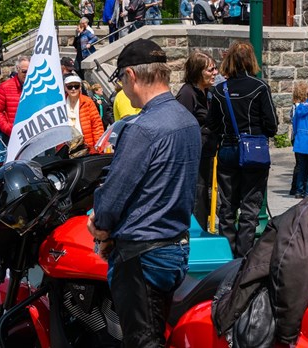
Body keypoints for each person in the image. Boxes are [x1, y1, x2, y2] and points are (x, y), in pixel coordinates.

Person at [88, 38, 200, 347]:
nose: (123, 86)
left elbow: (113, 196)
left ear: (132, 76)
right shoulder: (186, 120)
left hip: (143, 255)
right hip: (175, 248)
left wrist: (99, 225)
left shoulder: (143, 127)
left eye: (122, 79)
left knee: (143, 341)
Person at [206, 41, 278, 258]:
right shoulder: (259, 87)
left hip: (227, 149)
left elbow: (212, 124)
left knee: (227, 206)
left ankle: (227, 253)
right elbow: (272, 125)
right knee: (250, 204)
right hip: (253, 150)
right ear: (250, 61)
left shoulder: (220, 90)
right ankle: (243, 255)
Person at [176, 51, 218, 231]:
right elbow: (180, 127)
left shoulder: (207, 92)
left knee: (205, 198)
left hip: (207, 154)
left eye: (215, 68)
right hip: (194, 158)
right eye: (210, 70)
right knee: (197, 198)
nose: (215, 73)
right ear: (197, 72)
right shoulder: (187, 94)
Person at [64, 74, 105, 150]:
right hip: (67, 147)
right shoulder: (61, 103)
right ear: (65, 88)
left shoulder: (88, 102)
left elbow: (97, 126)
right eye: (70, 87)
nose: (73, 89)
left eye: (76, 86)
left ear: (80, 87)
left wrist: (98, 147)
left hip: (86, 146)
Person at [0, 56, 29, 138]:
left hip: (33, 135)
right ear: (17, 69)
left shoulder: (37, 86)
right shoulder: (5, 87)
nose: (27, 74)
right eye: (24, 71)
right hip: (12, 136)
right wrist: (8, 128)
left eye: (30, 71)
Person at [288, 81, 308, 196]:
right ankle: (297, 187)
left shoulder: (294, 105)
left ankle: (295, 186)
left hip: (294, 136)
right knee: (301, 163)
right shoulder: (300, 106)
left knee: (299, 163)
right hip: (299, 136)